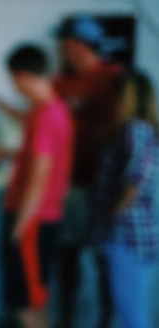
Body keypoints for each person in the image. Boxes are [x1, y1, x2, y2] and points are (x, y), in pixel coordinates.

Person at [0, 44, 74, 328]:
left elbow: (38, 178)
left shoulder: (45, 116)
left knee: (27, 306)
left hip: (32, 222)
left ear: (21, 76)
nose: (15, 88)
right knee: (35, 297)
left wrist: (19, 227)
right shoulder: (51, 109)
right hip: (42, 220)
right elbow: (36, 149)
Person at [52, 15, 123, 328]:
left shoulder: (114, 78)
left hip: (105, 185)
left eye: (69, 44)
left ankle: (107, 321)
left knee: (105, 260)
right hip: (69, 185)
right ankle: (68, 320)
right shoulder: (60, 83)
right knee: (68, 257)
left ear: (82, 45)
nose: (66, 51)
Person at [92, 71, 159, 328]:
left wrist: (112, 213)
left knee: (132, 314)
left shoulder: (135, 129)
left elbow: (136, 180)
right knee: (130, 311)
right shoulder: (140, 128)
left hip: (128, 236)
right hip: (132, 235)